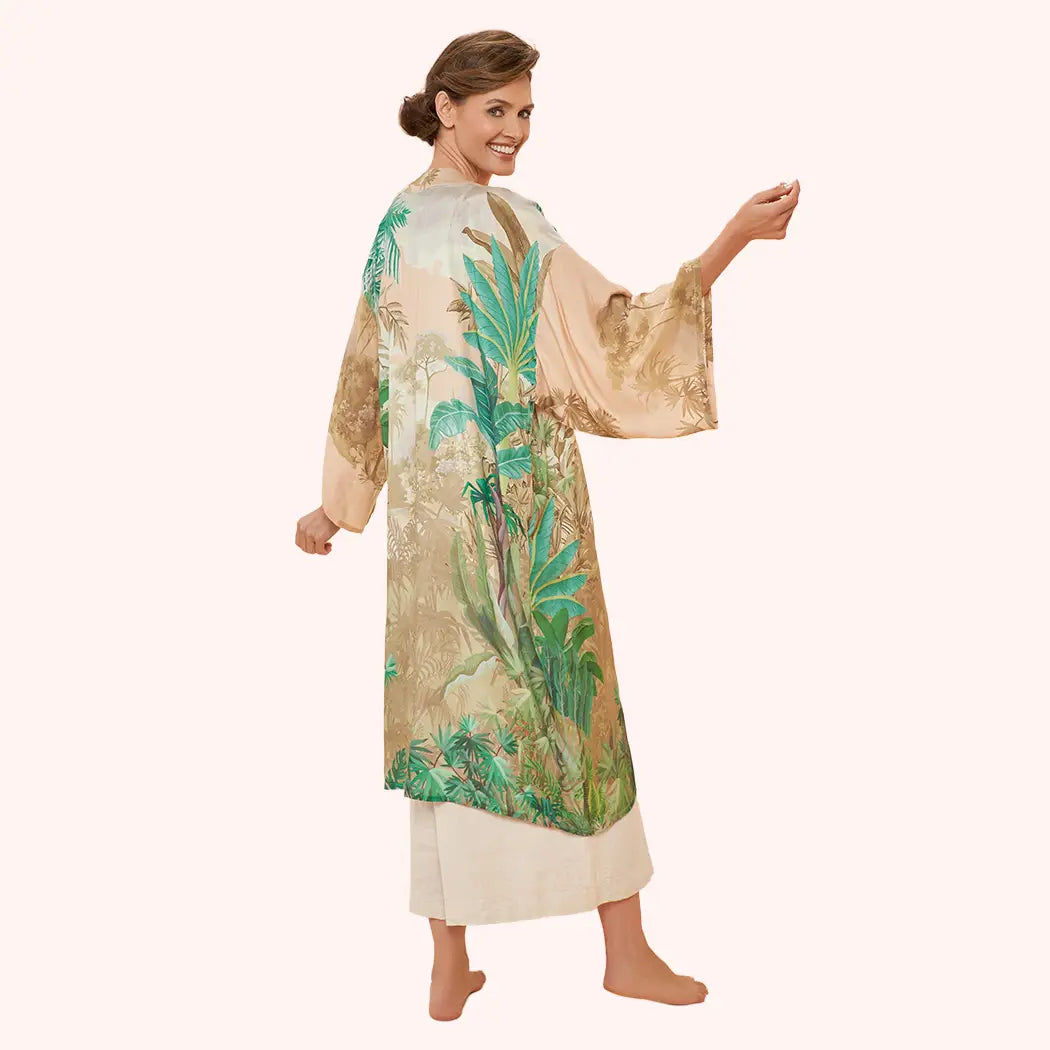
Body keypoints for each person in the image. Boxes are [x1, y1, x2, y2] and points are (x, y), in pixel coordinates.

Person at [295, 29, 799, 1021]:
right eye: (497, 111)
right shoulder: (509, 221)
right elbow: (619, 334)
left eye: (525, 113)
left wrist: (340, 505)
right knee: (578, 704)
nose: (516, 132)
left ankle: (450, 969)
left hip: (435, 534)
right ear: (445, 107)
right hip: (529, 517)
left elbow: (366, 371)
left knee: (451, 725)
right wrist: (731, 242)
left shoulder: (396, 223)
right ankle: (626, 953)